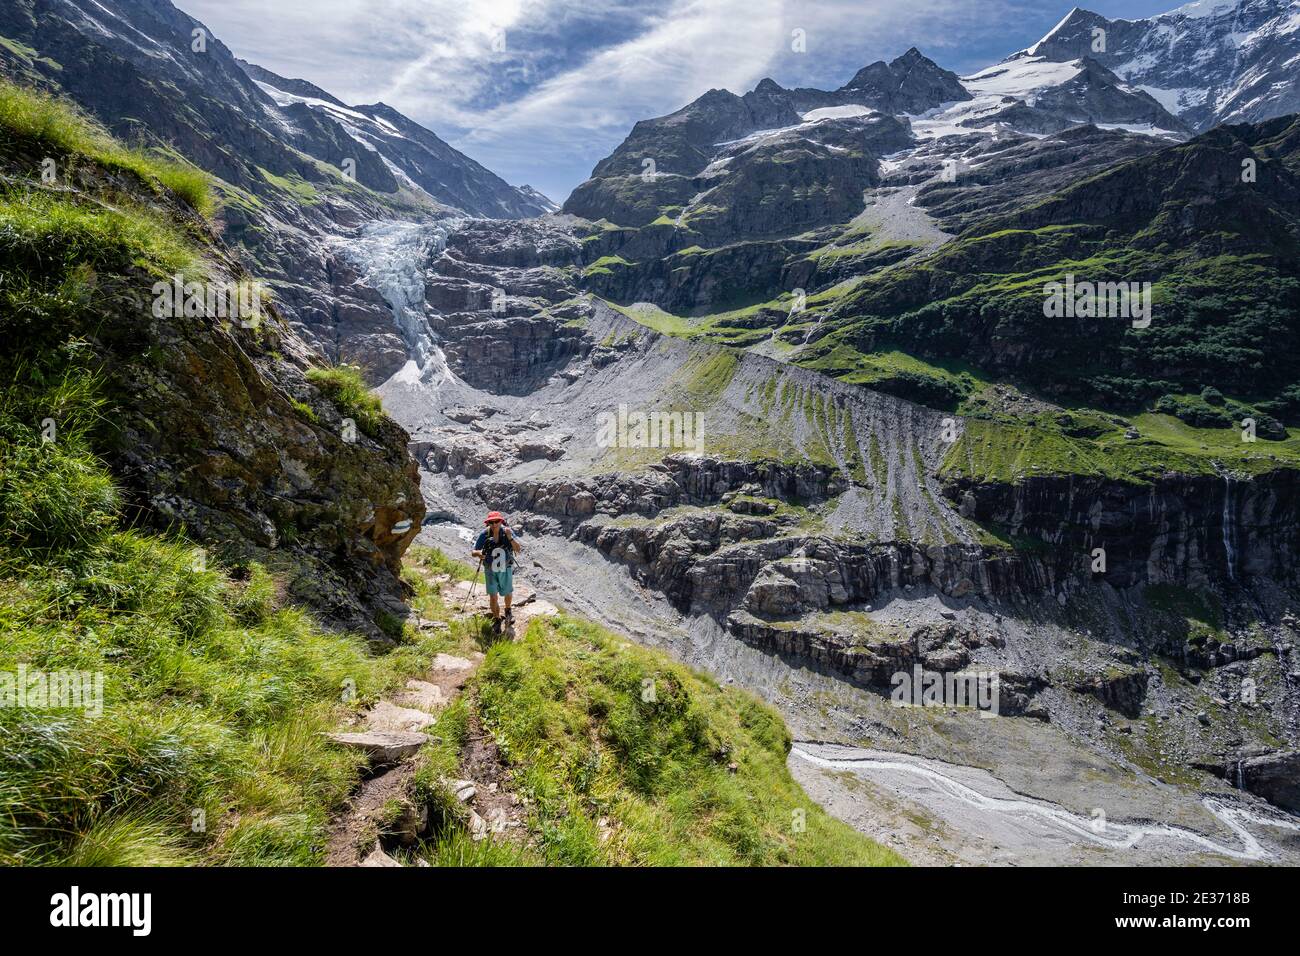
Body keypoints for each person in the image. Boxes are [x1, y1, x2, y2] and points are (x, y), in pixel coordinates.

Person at [471, 511, 521, 633]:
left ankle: (508, 610)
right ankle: (497, 619)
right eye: (491, 522)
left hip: (505, 567)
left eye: (496, 521)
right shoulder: (485, 534)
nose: (494, 524)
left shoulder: (507, 532)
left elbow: (518, 549)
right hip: (490, 568)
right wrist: (479, 554)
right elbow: (473, 552)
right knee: (493, 596)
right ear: (488, 523)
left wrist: (510, 537)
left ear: (501, 521)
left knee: (507, 591)